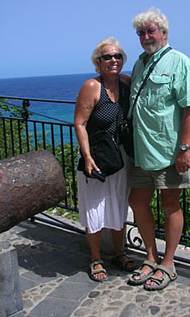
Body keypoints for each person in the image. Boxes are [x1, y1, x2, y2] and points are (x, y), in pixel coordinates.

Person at [127, 8, 190, 291]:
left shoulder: (180, 62)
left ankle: (168, 264)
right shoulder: (139, 64)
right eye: (141, 33)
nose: (146, 37)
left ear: (164, 33)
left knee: (170, 205)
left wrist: (184, 150)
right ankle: (150, 256)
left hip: (170, 151)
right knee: (137, 201)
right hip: (143, 150)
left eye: (151, 31)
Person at [74, 37, 135, 281]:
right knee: (95, 205)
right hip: (98, 154)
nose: (113, 60)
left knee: (119, 203)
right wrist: (86, 157)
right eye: (107, 57)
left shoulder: (126, 83)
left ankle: (119, 252)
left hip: (120, 155)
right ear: (98, 62)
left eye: (117, 56)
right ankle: (96, 257)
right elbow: (79, 123)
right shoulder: (91, 86)